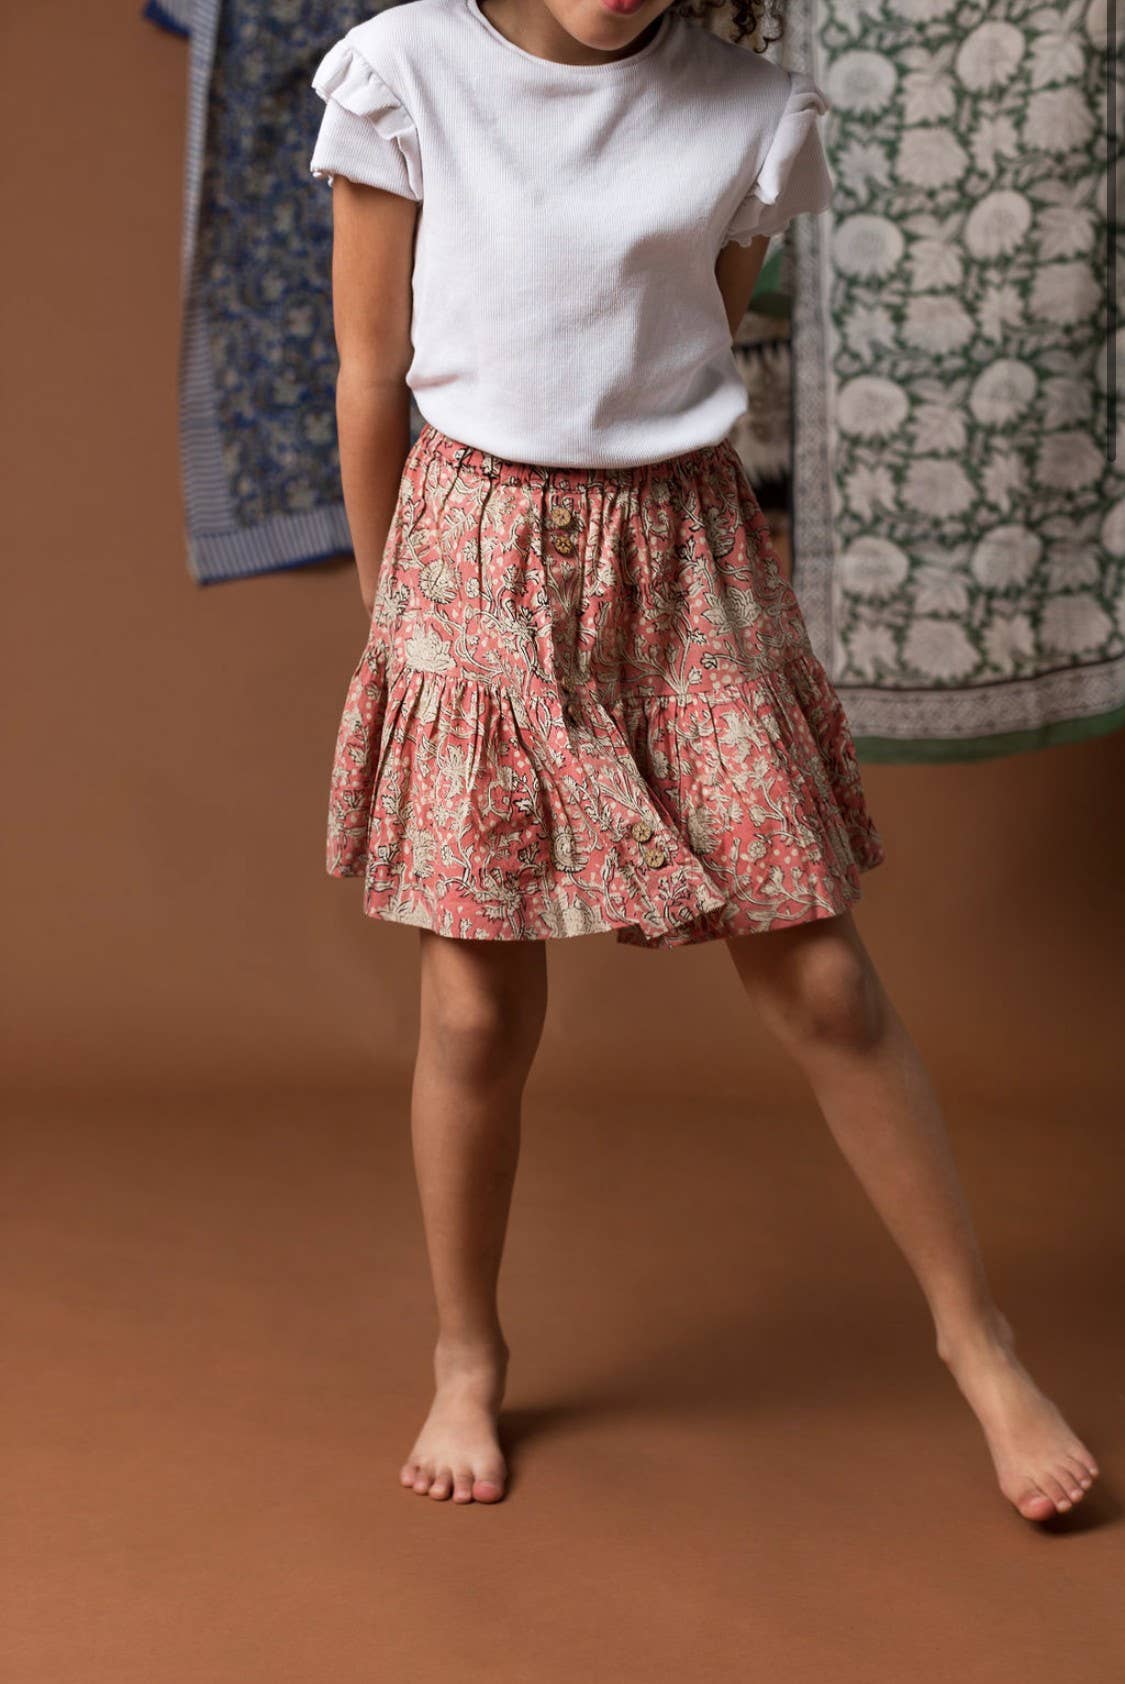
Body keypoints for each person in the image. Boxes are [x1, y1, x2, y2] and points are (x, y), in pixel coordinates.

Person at [307, 0, 1099, 1517]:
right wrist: (391, 608)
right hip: (468, 552)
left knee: (823, 979)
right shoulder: (405, 72)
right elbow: (367, 366)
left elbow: (693, 334)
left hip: (684, 555)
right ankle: (466, 1354)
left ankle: (977, 1342)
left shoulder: (750, 110)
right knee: (473, 1004)